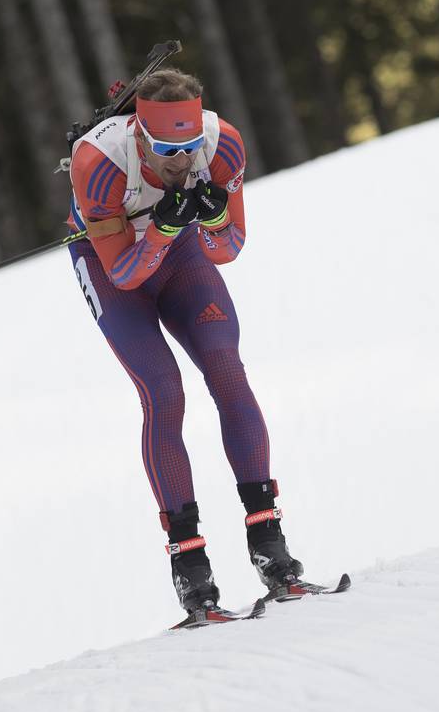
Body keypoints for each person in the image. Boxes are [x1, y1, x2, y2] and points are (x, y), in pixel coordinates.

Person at [65, 68, 302, 615]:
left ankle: (271, 546)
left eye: (190, 145)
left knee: (226, 368)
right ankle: (190, 566)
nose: (183, 161)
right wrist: (165, 229)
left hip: (179, 255)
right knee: (164, 393)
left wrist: (213, 219)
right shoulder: (97, 162)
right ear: (142, 136)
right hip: (110, 263)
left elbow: (228, 248)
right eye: (169, 149)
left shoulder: (223, 144)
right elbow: (125, 273)